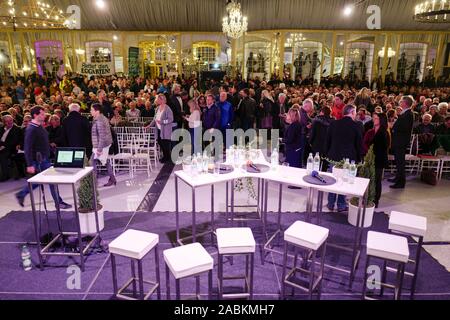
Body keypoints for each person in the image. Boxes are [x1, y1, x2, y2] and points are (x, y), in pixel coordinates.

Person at [15, 106, 72, 209]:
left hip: (44, 158)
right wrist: (29, 164)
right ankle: (58, 202)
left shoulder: (39, 126)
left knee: (40, 181)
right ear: (35, 115)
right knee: (52, 181)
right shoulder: (31, 129)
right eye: (42, 114)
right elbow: (27, 147)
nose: (44, 115)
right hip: (39, 160)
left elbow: (43, 142)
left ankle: (22, 194)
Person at [326, 104, 363, 212]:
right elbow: (358, 144)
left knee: (333, 180)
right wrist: (359, 158)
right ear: (352, 112)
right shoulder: (357, 126)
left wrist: (327, 153)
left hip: (333, 156)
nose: (356, 114)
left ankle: (331, 203)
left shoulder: (334, 123)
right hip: (348, 158)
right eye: (355, 112)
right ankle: (341, 205)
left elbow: (328, 140)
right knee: (344, 182)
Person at [363, 112, 389, 208]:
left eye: (376, 118)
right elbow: (364, 143)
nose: (374, 120)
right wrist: (368, 152)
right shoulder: (370, 131)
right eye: (373, 118)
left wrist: (372, 151)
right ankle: (368, 197)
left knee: (377, 180)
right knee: (368, 179)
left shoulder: (384, 132)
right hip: (369, 158)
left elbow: (384, 147)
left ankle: (375, 200)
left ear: (381, 120)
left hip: (379, 159)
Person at [389, 95, 414, 189]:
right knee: (398, 161)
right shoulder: (405, 113)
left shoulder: (408, 114)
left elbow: (405, 128)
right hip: (399, 141)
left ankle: (400, 183)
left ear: (405, 103)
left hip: (401, 141)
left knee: (400, 162)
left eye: (401, 101)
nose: (400, 102)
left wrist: (394, 128)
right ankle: (397, 178)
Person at [90, 103, 116, 187]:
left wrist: (99, 149)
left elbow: (102, 135)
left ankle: (94, 182)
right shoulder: (99, 118)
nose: (90, 111)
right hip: (102, 144)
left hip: (101, 145)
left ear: (97, 111)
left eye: (92, 110)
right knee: (105, 162)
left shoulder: (100, 120)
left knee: (92, 162)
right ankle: (112, 179)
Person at [147, 94, 174, 164]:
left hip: (165, 130)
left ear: (162, 100)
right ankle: (166, 156)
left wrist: (162, 122)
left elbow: (171, 119)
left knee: (165, 144)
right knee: (160, 142)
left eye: (158, 99)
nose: (157, 100)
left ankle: (167, 158)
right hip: (158, 129)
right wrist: (149, 125)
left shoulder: (168, 109)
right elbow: (154, 119)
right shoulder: (157, 108)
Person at [309, 106, 334, 171]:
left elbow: (313, 133)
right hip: (327, 146)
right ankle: (323, 174)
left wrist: (310, 142)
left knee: (316, 163)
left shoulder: (316, 120)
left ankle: (315, 175)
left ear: (322, 112)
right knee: (325, 165)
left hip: (317, 144)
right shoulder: (333, 122)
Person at [0, 114, 22, 181]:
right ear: (3, 122)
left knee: (2, 155)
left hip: (11, 148)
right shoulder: (1, 129)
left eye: (11, 120)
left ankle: (5, 176)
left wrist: (4, 146)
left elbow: (14, 140)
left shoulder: (17, 129)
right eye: (7, 121)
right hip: (1, 146)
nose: (9, 122)